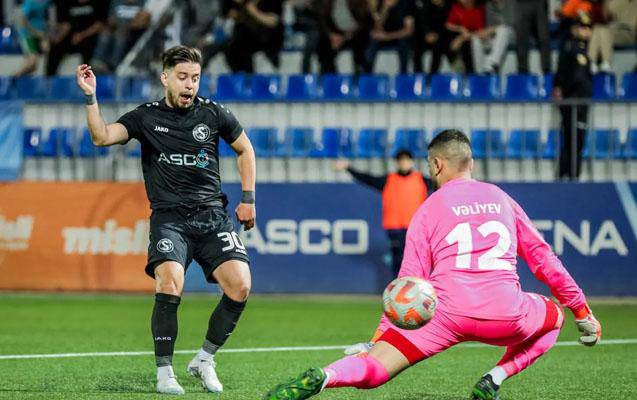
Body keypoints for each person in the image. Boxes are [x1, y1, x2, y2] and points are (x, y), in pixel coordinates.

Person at [264, 129, 601, 400]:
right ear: (471, 163)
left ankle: (326, 375)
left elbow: (408, 282)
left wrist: (379, 338)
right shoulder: (501, 198)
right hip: (505, 313)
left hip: (444, 314)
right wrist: (581, 310)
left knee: (376, 369)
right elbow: (543, 259)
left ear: (437, 164)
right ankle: (494, 378)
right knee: (554, 316)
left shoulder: (427, 208)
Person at [76, 45, 257, 395]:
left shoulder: (214, 113)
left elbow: (244, 149)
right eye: (183, 77)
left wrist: (248, 199)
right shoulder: (146, 117)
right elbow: (102, 137)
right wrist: (90, 97)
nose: (190, 84)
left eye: (195, 78)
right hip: (170, 219)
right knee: (170, 282)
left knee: (240, 286)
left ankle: (204, 359)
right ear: (165, 78)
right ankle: (164, 373)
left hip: (212, 217)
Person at [334, 150, 429, 278]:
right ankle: (398, 286)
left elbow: (440, 184)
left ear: (411, 162)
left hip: (414, 228)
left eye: (406, 160)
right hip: (394, 228)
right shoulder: (389, 180)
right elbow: (367, 179)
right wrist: (348, 168)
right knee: (397, 259)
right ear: (397, 163)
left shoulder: (421, 180)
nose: (404, 163)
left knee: (415, 259)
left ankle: (415, 285)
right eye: (401, 160)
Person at [553, 13, 593, 180]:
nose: (586, 31)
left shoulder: (585, 49)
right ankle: (568, 175)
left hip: (581, 103)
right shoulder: (570, 47)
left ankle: (572, 174)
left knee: (577, 140)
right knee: (572, 139)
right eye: (582, 27)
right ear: (574, 29)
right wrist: (560, 90)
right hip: (573, 102)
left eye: (588, 27)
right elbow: (565, 73)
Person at [47, 0, 108, 76]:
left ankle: (86, 77)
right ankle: (49, 77)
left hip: (89, 36)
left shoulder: (98, 3)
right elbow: (66, 24)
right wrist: (58, 37)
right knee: (55, 48)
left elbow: (99, 24)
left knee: (88, 48)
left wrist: (82, 35)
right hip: (70, 36)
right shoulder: (66, 3)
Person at [222, 0, 284, 73]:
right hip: (245, 42)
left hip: (267, 42)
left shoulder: (271, 2)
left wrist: (254, 11)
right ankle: (243, 74)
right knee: (232, 47)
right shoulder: (243, 4)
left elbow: (273, 21)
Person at [91, 0, 150, 73]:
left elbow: (143, 21)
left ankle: (113, 65)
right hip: (117, 28)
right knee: (105, 33)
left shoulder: (143, 3)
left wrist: (128, 27)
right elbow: (111, 19)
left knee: (120, 35)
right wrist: (115, 25)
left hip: (134, 32)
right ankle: (98, 61)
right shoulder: (116, 2)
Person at [317, 0, 373, 74]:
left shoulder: (359, 2)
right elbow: (322, 21)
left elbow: (366, 22)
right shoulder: (327, 3)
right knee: (323, 45)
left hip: (356, 33)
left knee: (360, 44)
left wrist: (346, 36)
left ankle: (361, 73)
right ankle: (331, 74)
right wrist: (331, 35)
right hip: (337, 33)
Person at [366, 0, 415, 74]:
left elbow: (409, 31)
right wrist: (385, 9)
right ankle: (367, 74)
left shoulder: (406, 4)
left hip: (399, 36)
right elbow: (377, 27)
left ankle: (403, 74)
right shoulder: (381, 4)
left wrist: (388, 36)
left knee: (404, 43)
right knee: (372, 41)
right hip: (384, 37)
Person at [471, 0, 515, 74]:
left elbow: (510, 23)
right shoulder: (489, 6)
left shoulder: (511, 3)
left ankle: (491, 65)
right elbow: (489, 26)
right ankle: (479, 72)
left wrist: (491, 29)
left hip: (512, 35)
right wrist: (485, 34)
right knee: (476, 38)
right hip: (496, 37)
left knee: (504, 30)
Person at [412, 0, 454, 75]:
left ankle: (433, 74)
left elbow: (450, 25)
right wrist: (427, 33)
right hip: (427, 36)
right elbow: (422, 23)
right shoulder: (427, 6)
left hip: (444, 36)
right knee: (416, 47)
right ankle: (419, 75)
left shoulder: (449, 5)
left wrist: (438, 35)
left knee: (439, 47)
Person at [445, 0, 486, 73]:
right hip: (462, 35)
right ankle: (456, 66)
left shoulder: (479, 9)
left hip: (475, 38)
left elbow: (481, 32)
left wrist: (462, 38)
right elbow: (448, 24)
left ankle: (471, 73)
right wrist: (460, 28)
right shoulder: (456, 8)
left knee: (468, 44)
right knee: (446, 39)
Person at [13, 0, 51, 77]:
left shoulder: (47, 2)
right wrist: (36, 32)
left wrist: (45, 32)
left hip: (41, 34)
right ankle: (12, 78)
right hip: (28, 35)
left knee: (34, 66)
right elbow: (22, 21)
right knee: (32, 63)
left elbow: (48, 17)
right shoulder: (30, 3)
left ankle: (19, 77)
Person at [513, 0, 551, 74]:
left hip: (540, 3)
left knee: (544, 37)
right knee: (521, 38)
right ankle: (522, 70)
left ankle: (547, 70)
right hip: (521, 3)